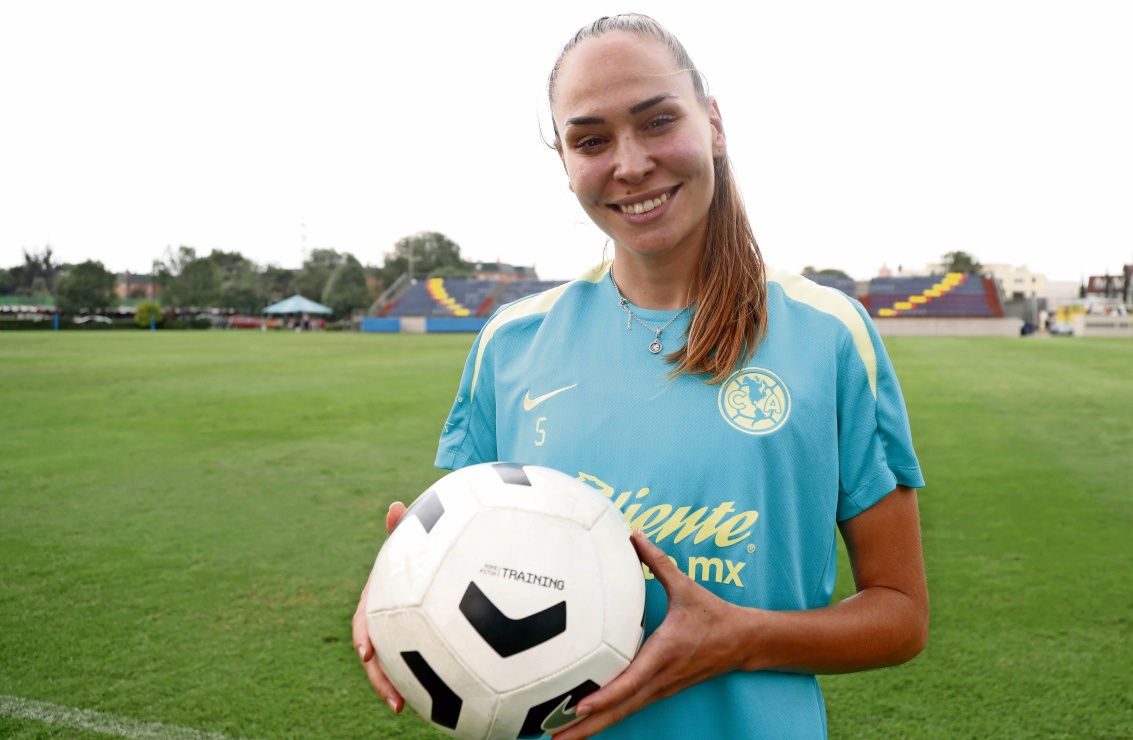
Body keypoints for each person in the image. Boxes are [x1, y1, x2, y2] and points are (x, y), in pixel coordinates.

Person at [353, 13, 927, 739]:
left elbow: (899, 614)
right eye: (589, 140)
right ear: (563, 164)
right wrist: (402, 587)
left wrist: (740, 637)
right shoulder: (512, 341)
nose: (628, 164)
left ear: (713, 123)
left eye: (657, 121)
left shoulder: (828, 335)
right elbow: (461, 549)